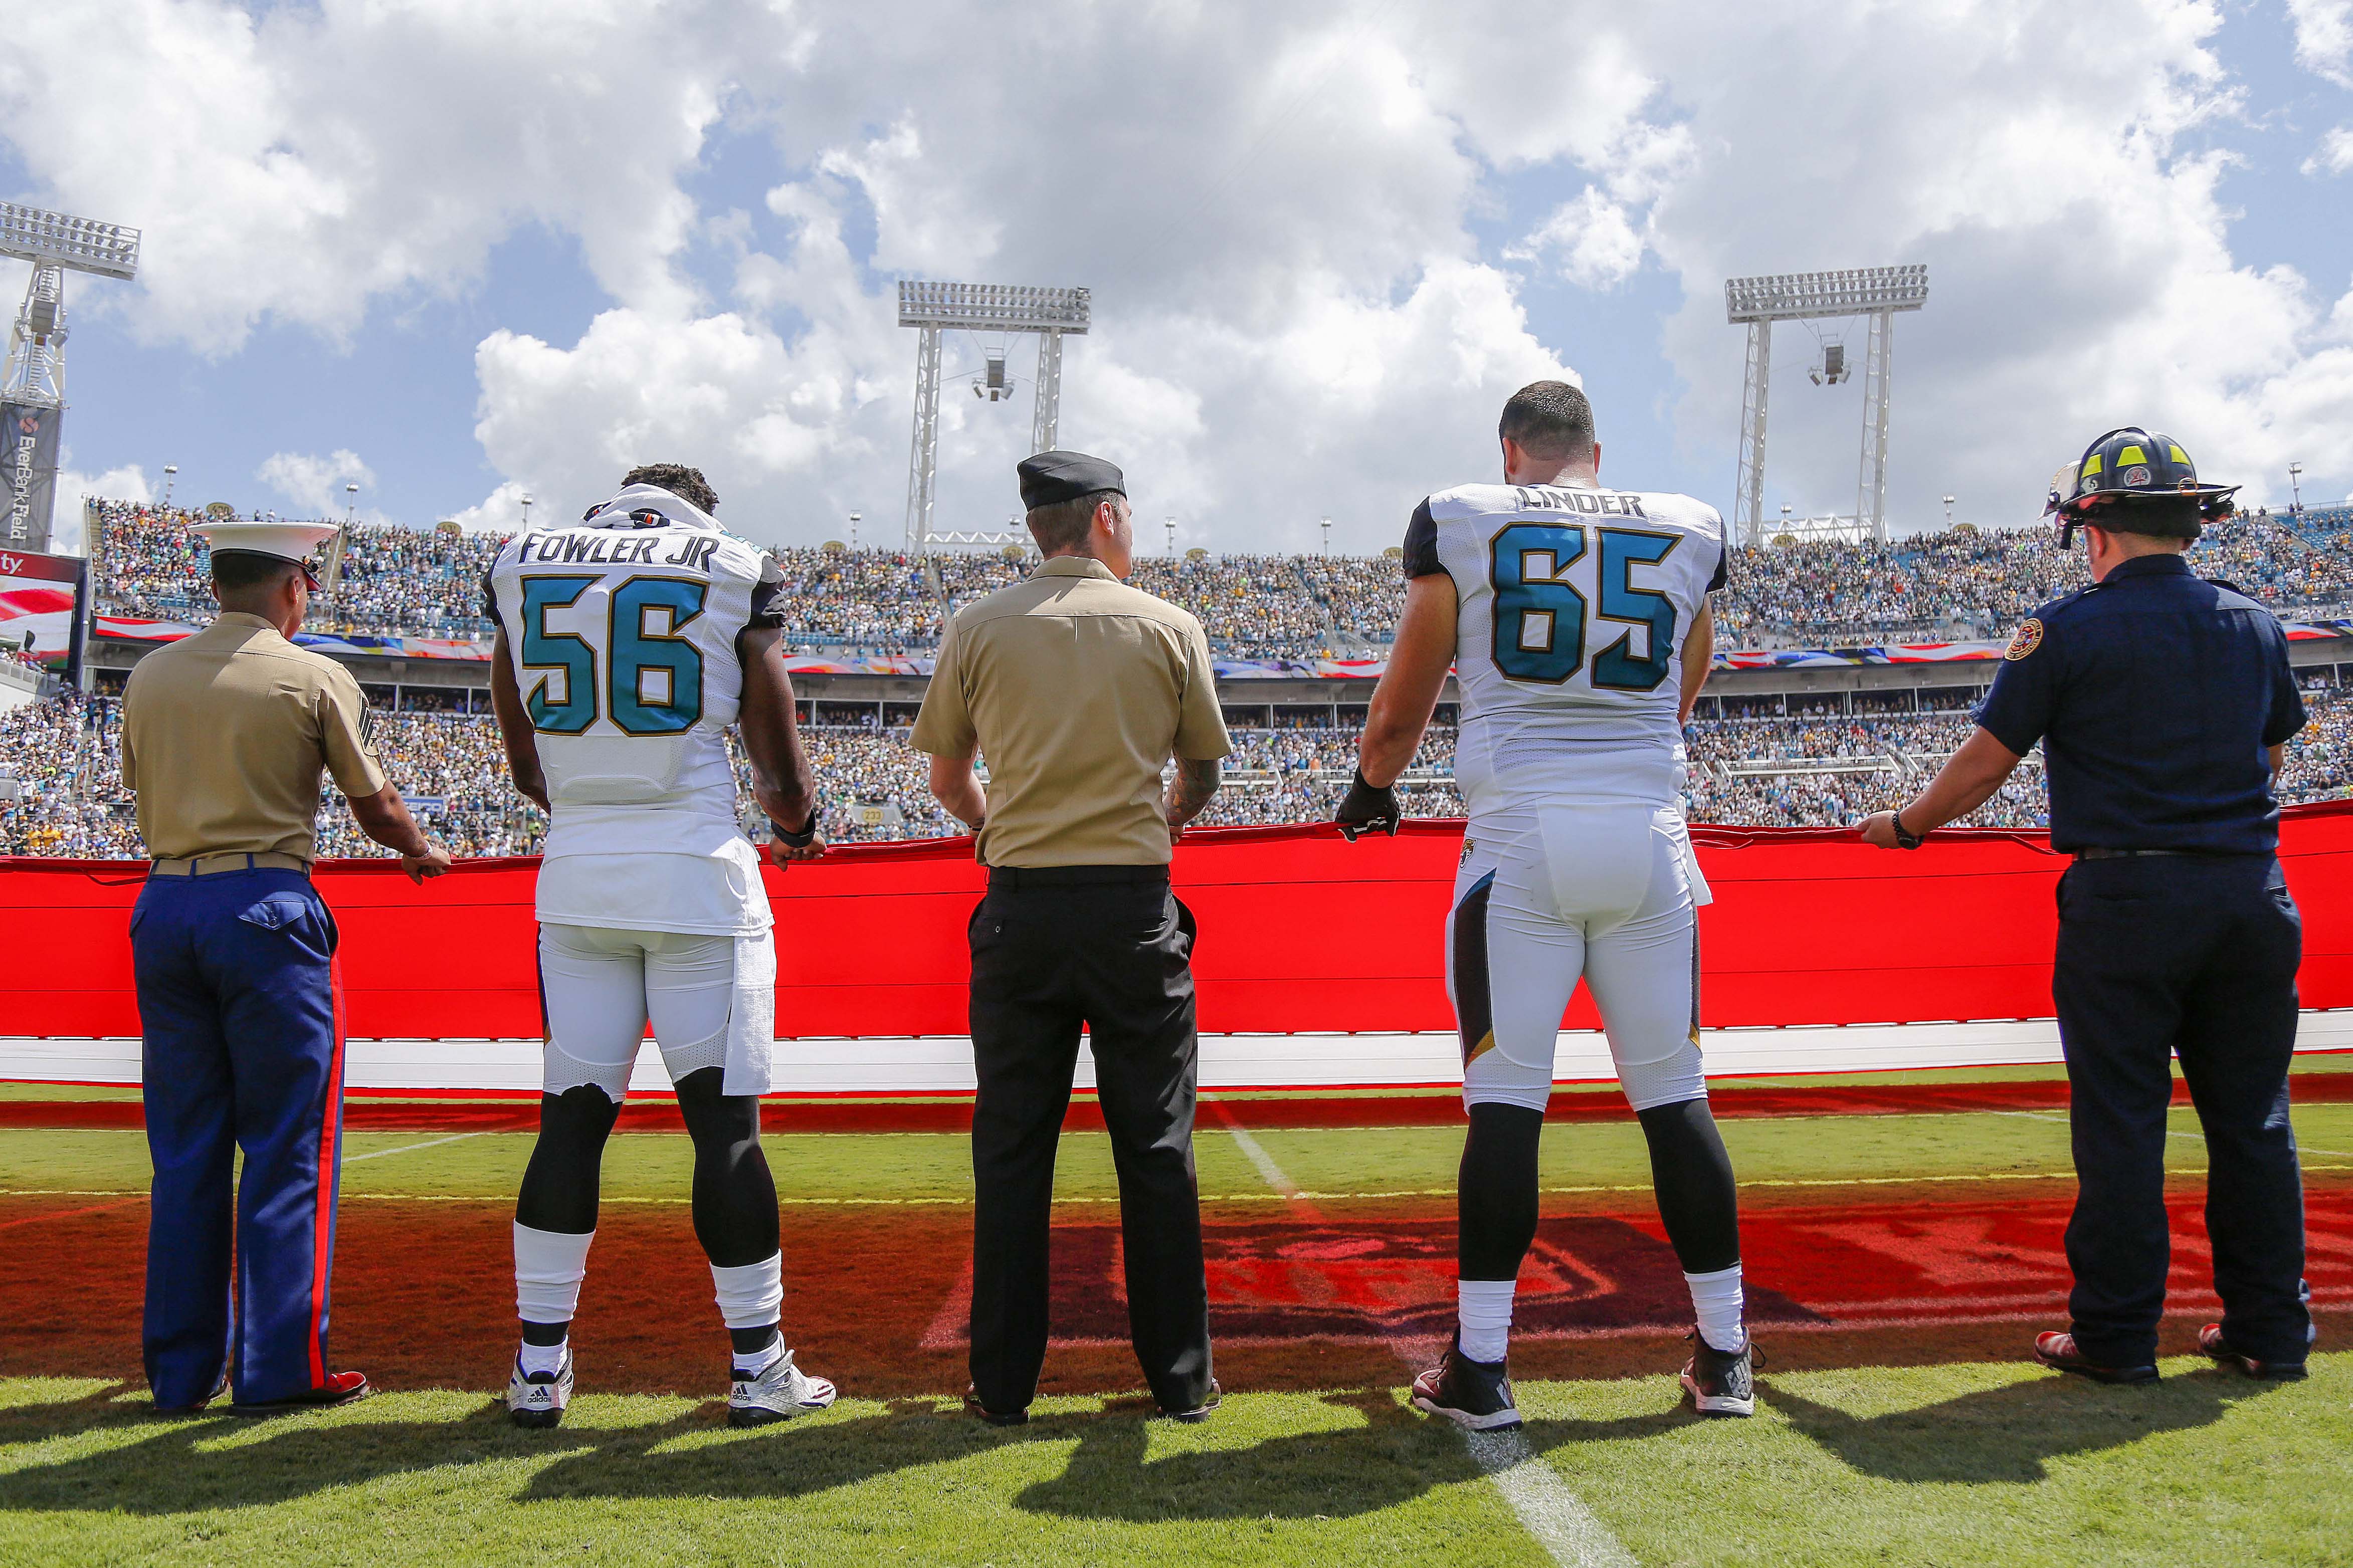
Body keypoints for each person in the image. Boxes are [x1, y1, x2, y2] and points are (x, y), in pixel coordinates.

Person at [1860, 427, 2312, 1385]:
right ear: (2193, 518)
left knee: (2120, 1125)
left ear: (2092, 531)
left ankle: (2114, 1335)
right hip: (2247, 891)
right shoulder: (2257, 623)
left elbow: (1987, 762)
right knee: (2253, 1123)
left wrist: (1904, 825)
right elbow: (2269, 759)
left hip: (2127, 897)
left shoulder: (2062, 629)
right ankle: (2270, 1331)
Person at [1342, 380, 1754, 1427]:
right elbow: (1680, 681)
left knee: (1506, 1103)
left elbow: (1403, 700)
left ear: (1509, 447)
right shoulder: (1692, 526)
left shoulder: (1467, 514)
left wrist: (1372, 784)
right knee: (1674, 1094)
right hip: (1651, 842)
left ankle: (1481, 1366)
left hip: (1520, 838)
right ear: (1595, 451)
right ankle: (1726, 1351)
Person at [482, 462, 835, 1429]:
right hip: (696, 881)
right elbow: (775, 761)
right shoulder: (726, 564)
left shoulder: (522, 563)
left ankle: (538, 1368)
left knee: (570, 1121)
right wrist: (798, 825)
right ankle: (758, 1366)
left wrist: (601, 815)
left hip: (579, 880)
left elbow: (524, 760)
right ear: (697, 513)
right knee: (723, 1132)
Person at [912, 450, 1230, 1425]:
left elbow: (945, 777)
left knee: (1011, 1150)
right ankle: (1179, 1378)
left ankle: (1001, 1383)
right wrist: (1162, 820)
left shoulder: (976, 625)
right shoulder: (1170, 625)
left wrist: (992, 827)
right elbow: (1204, 777)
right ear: (1105, 518)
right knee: (1155, 1144)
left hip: (1021, 909)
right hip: (1133, 908)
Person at [122, 519, 451, 1415]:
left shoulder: (147, 675)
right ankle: (277, 1367)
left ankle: (181, 1374)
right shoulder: (311, 674)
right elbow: (373, 802)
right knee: (287, 1145)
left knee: (185, 1152)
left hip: (164, 905)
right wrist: (419, 851)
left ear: (217, 587)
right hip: (266, 906)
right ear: (294, 587)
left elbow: (140, 785)